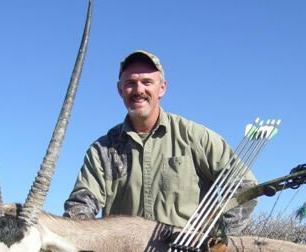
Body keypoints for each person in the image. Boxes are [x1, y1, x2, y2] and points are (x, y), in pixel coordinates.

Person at [63, 50, 257, 235]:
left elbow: (246, 187)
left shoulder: (196, 137)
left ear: (162, 88)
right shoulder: (102, 150)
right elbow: (81, 204)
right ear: (120, 90)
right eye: (130, 83)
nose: (139, 90)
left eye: (147, 82)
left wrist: (216, 239)